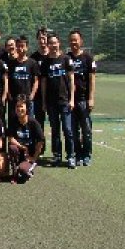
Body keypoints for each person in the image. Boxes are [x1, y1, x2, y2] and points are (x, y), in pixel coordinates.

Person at [41, 33, 76, 168]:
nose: (53, 45)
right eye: (50, 43)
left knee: (67, 129)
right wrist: (44, 102)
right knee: (55, 130)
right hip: (51, 103)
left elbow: (72, 80)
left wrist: (72, 99)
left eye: (55, 43)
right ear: (48, 45)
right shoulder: (45, 62)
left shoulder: (66, 59)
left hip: (65, 101)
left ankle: (71, 156)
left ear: (59, 43)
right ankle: (57, 156)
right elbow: (43, 83)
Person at [68, 29, 96, 166]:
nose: (74, 42)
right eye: (71, 40)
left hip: (84, 100)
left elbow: (92, 79)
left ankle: (87, 155)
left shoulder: (88, 58)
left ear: (81, 41)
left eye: (76, 40)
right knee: (73, 130)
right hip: (70, 101)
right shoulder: (67, 57)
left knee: (86, 130)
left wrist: (91, 98)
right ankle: (78, 155)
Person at [8, 95, 44, 183]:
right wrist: (22, 147)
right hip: (19, 152)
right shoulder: (13, 121)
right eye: (17, 106)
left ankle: (30, 166)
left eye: (21, 106)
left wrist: (34, 157)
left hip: (29, 156)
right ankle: (15, 172)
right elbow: (10, 138)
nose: (19, 109)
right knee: (12, 147)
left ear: (27, 108)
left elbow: (40, 141)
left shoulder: (33, 123)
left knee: (23, 171)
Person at [7, 35, 39, 129]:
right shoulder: (11, 63)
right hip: (14, 100)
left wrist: (31, 95)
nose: (20, 48)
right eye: (18, 46)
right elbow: (7, 80)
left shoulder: (32, 63)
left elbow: (36, 81)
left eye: (22, 46)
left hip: (27, 100)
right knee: (14, 125)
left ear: (27, 47)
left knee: (29, 124)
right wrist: (9, 95)